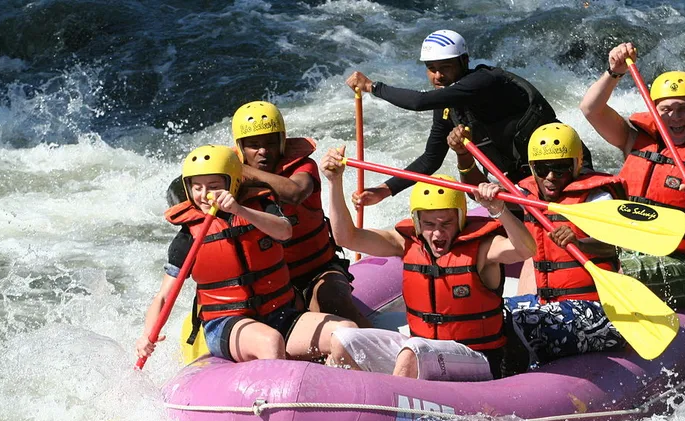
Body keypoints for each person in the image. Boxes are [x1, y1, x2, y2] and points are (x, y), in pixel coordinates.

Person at [319, 145, 537, 380]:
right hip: (424, 350)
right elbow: (346, 238)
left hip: (478, 357)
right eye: (430, 225)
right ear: (417, 222)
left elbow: (525, 249)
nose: (437, 234)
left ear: (461, 219)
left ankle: (395, 409)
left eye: (446, 224)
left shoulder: (483, 249)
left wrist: (499, 210)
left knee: (413, 351)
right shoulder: (404, 244)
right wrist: (334, 182)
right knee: (343, 340)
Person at [135, 145, 359, 365]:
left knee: (346, 333)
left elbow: (284, 231)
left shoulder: (261, 206)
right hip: (226, 323)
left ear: (233, 183)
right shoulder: (187, 238)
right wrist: (147, 334)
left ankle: (342, 388)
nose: (204, 195)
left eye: (213, 186)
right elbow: (164, 296)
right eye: (197, 187)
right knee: (271, 342)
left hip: (280, 314)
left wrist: (239, 210)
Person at [344, 29, 592, 208]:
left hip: (564, 170)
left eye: (446, 67)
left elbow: (419, 102)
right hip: (525, 182)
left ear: (464, 61)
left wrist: (372, 87)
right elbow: (430, 160)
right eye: (432, 68)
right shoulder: (448, 107)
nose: (438, 76)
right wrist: (383, 191)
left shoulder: (485, 82)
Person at [579, 42, 685, 308]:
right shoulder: (632, 140)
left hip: (678, 263)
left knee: (616, 268)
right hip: (627, 247)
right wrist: (613, 73)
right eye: (667, 109)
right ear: (654, 111)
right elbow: (591, 109)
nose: (676, 116)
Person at [230, 100, 371, 328]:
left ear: (282, 142)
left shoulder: (303, 167)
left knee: (332, 300)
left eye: (270, 143)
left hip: (317, 273)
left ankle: (383, 354)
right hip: (269, 284)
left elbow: (295, 193)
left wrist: (242, 170)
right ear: (240, 148)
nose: (264, 151)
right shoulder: (229, 180)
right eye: (254, 145)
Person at [502, 123, 627, 375]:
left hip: (599, 312)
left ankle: (518, 380)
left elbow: (618, 245)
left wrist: (580, 243)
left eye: (560, 168)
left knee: (526, 322)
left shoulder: (598, 199)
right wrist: (465, 161)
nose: (550, 176)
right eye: (543, 168)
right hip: (547, 304)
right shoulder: (527, 196)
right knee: (492, 314)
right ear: (532, 168)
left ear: (577, 165)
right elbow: (479, 192)